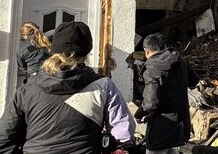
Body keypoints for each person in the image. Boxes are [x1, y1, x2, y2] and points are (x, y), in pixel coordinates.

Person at [0, 21, 136, 153]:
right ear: (87, 52)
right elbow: (124, 135)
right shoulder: (104, 85)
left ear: (54, 50)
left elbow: (5, 138)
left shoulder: (28, 89)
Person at [135, 33, 199, 154]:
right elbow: (194, 80)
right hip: (180, 125)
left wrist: (139, 114)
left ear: (146, 51)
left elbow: (150, 104)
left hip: (161, 127)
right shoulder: (180, 60)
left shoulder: (151, 68)